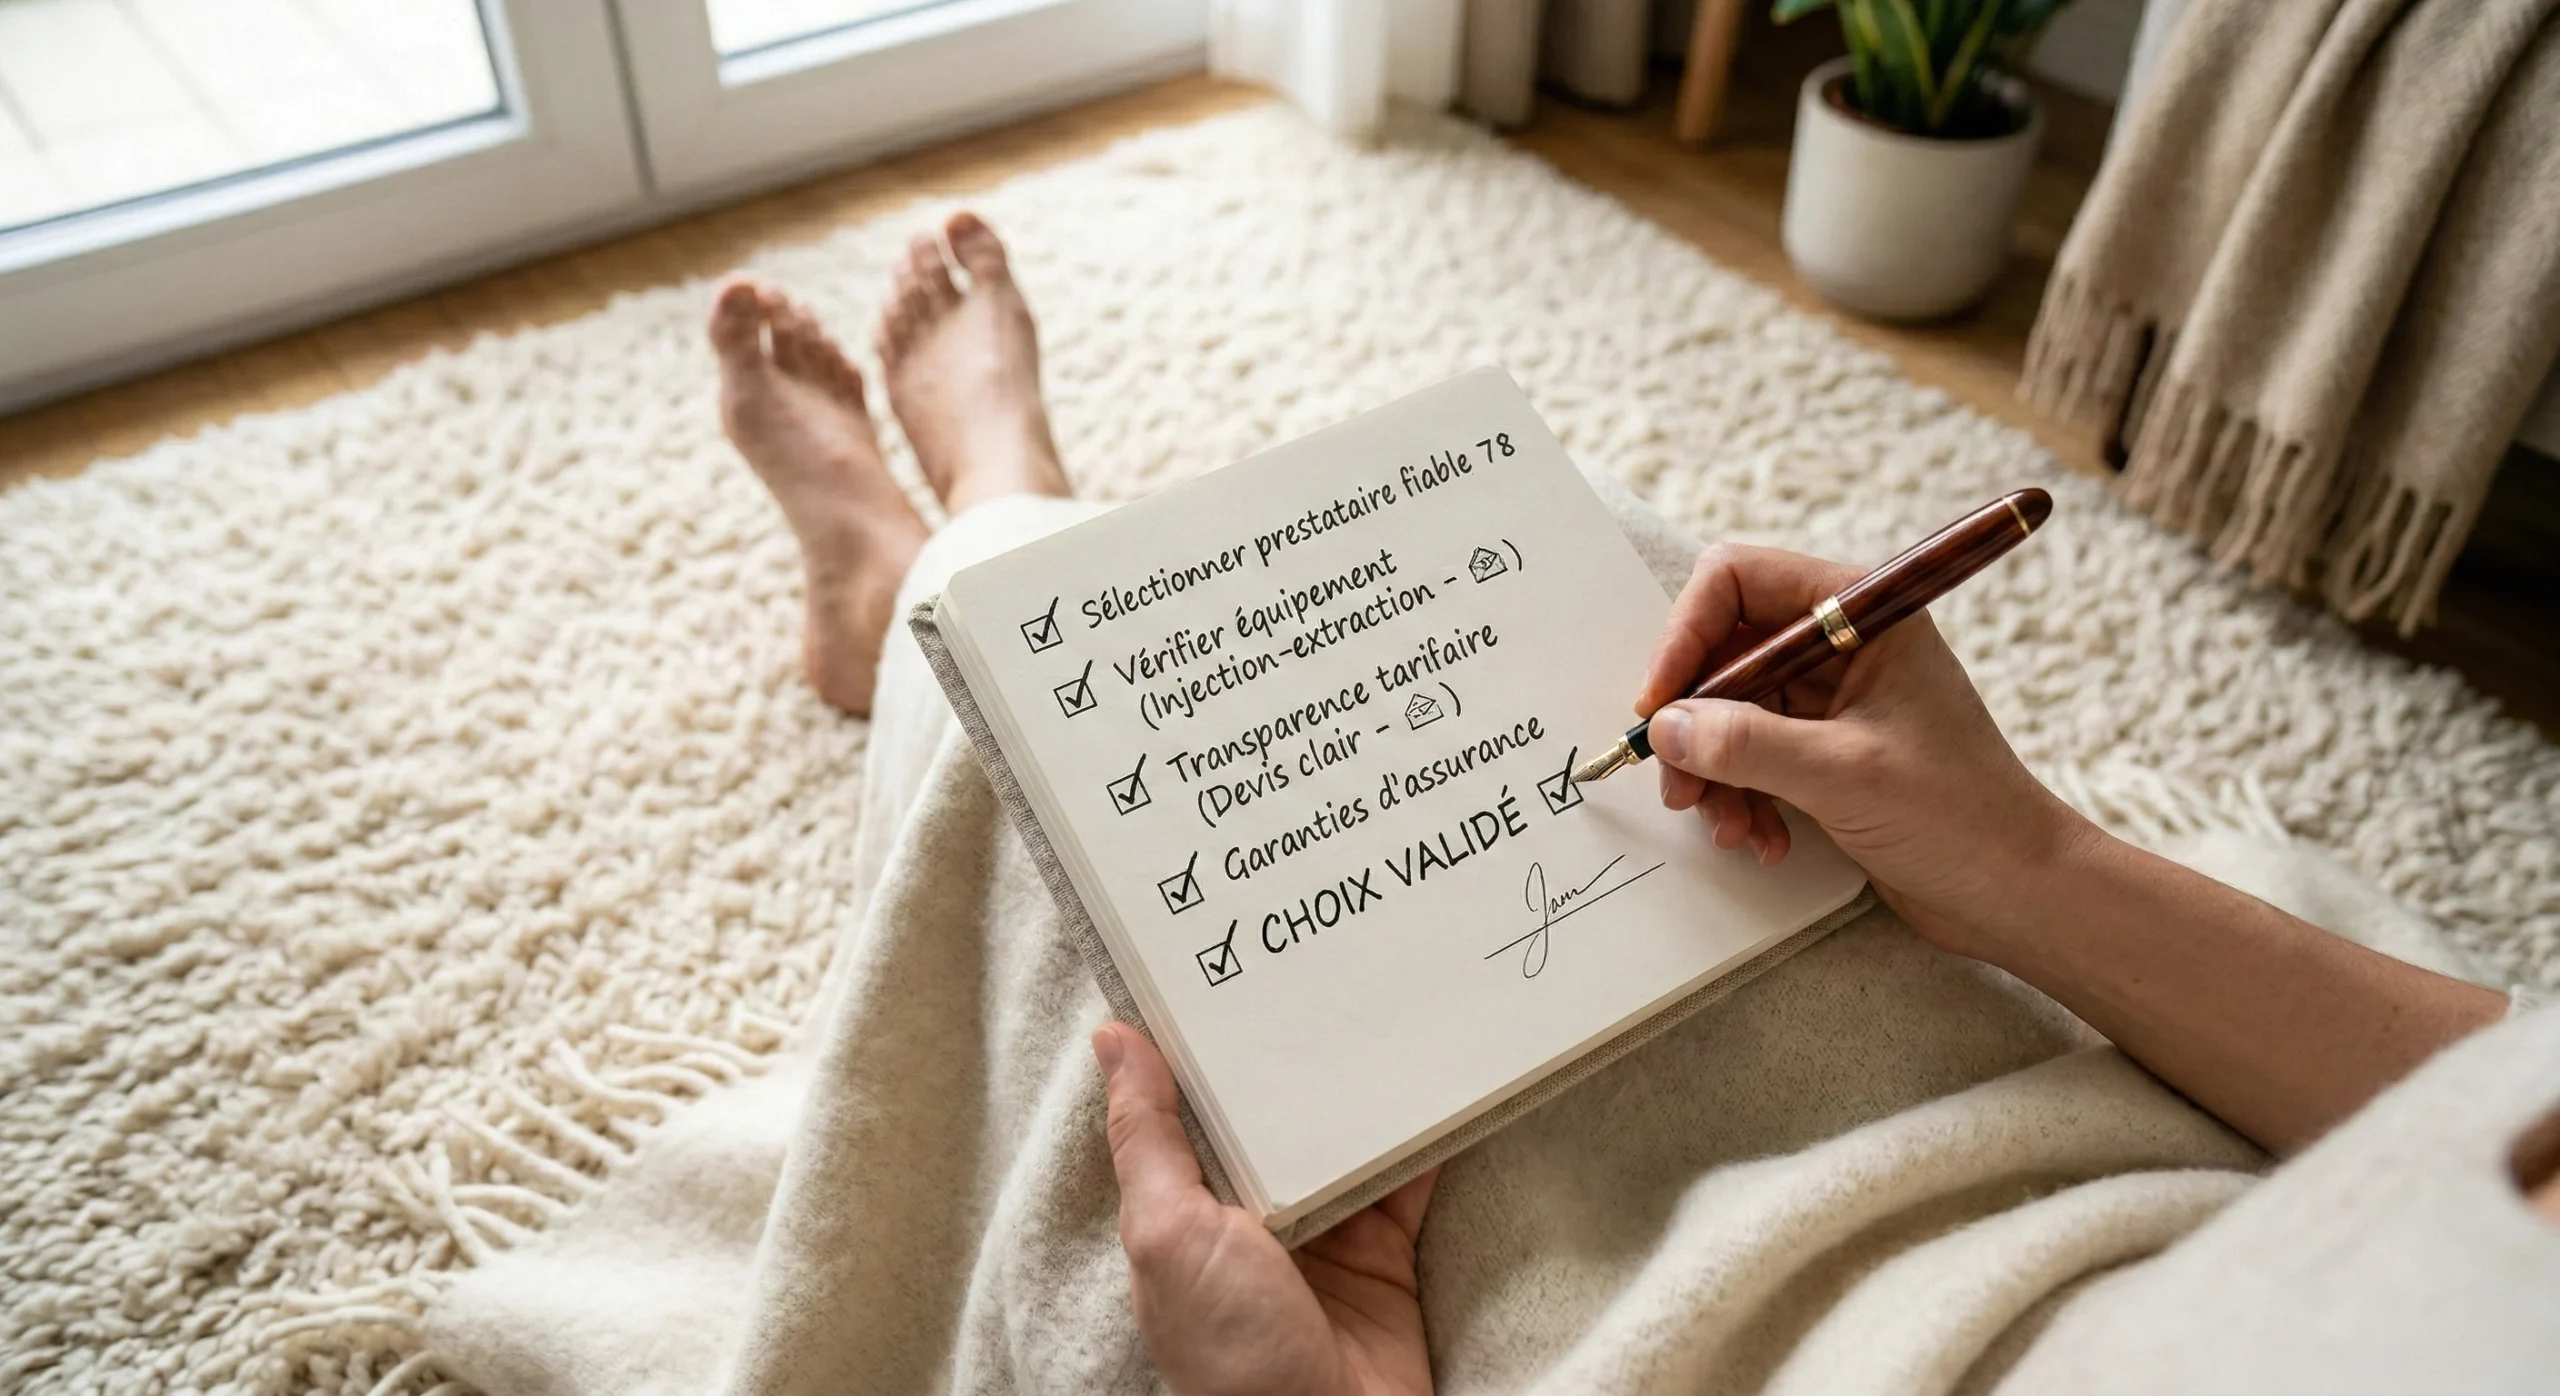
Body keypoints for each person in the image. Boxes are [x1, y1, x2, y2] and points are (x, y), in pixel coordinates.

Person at [706, 211, 2558, 1395]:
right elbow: (2515, 1120)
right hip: (2109, 1167)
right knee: (1614, 594)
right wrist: (2025, 863)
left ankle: (950, 546)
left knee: (1072, 824)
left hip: (1621, 1337)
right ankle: (984, 533)